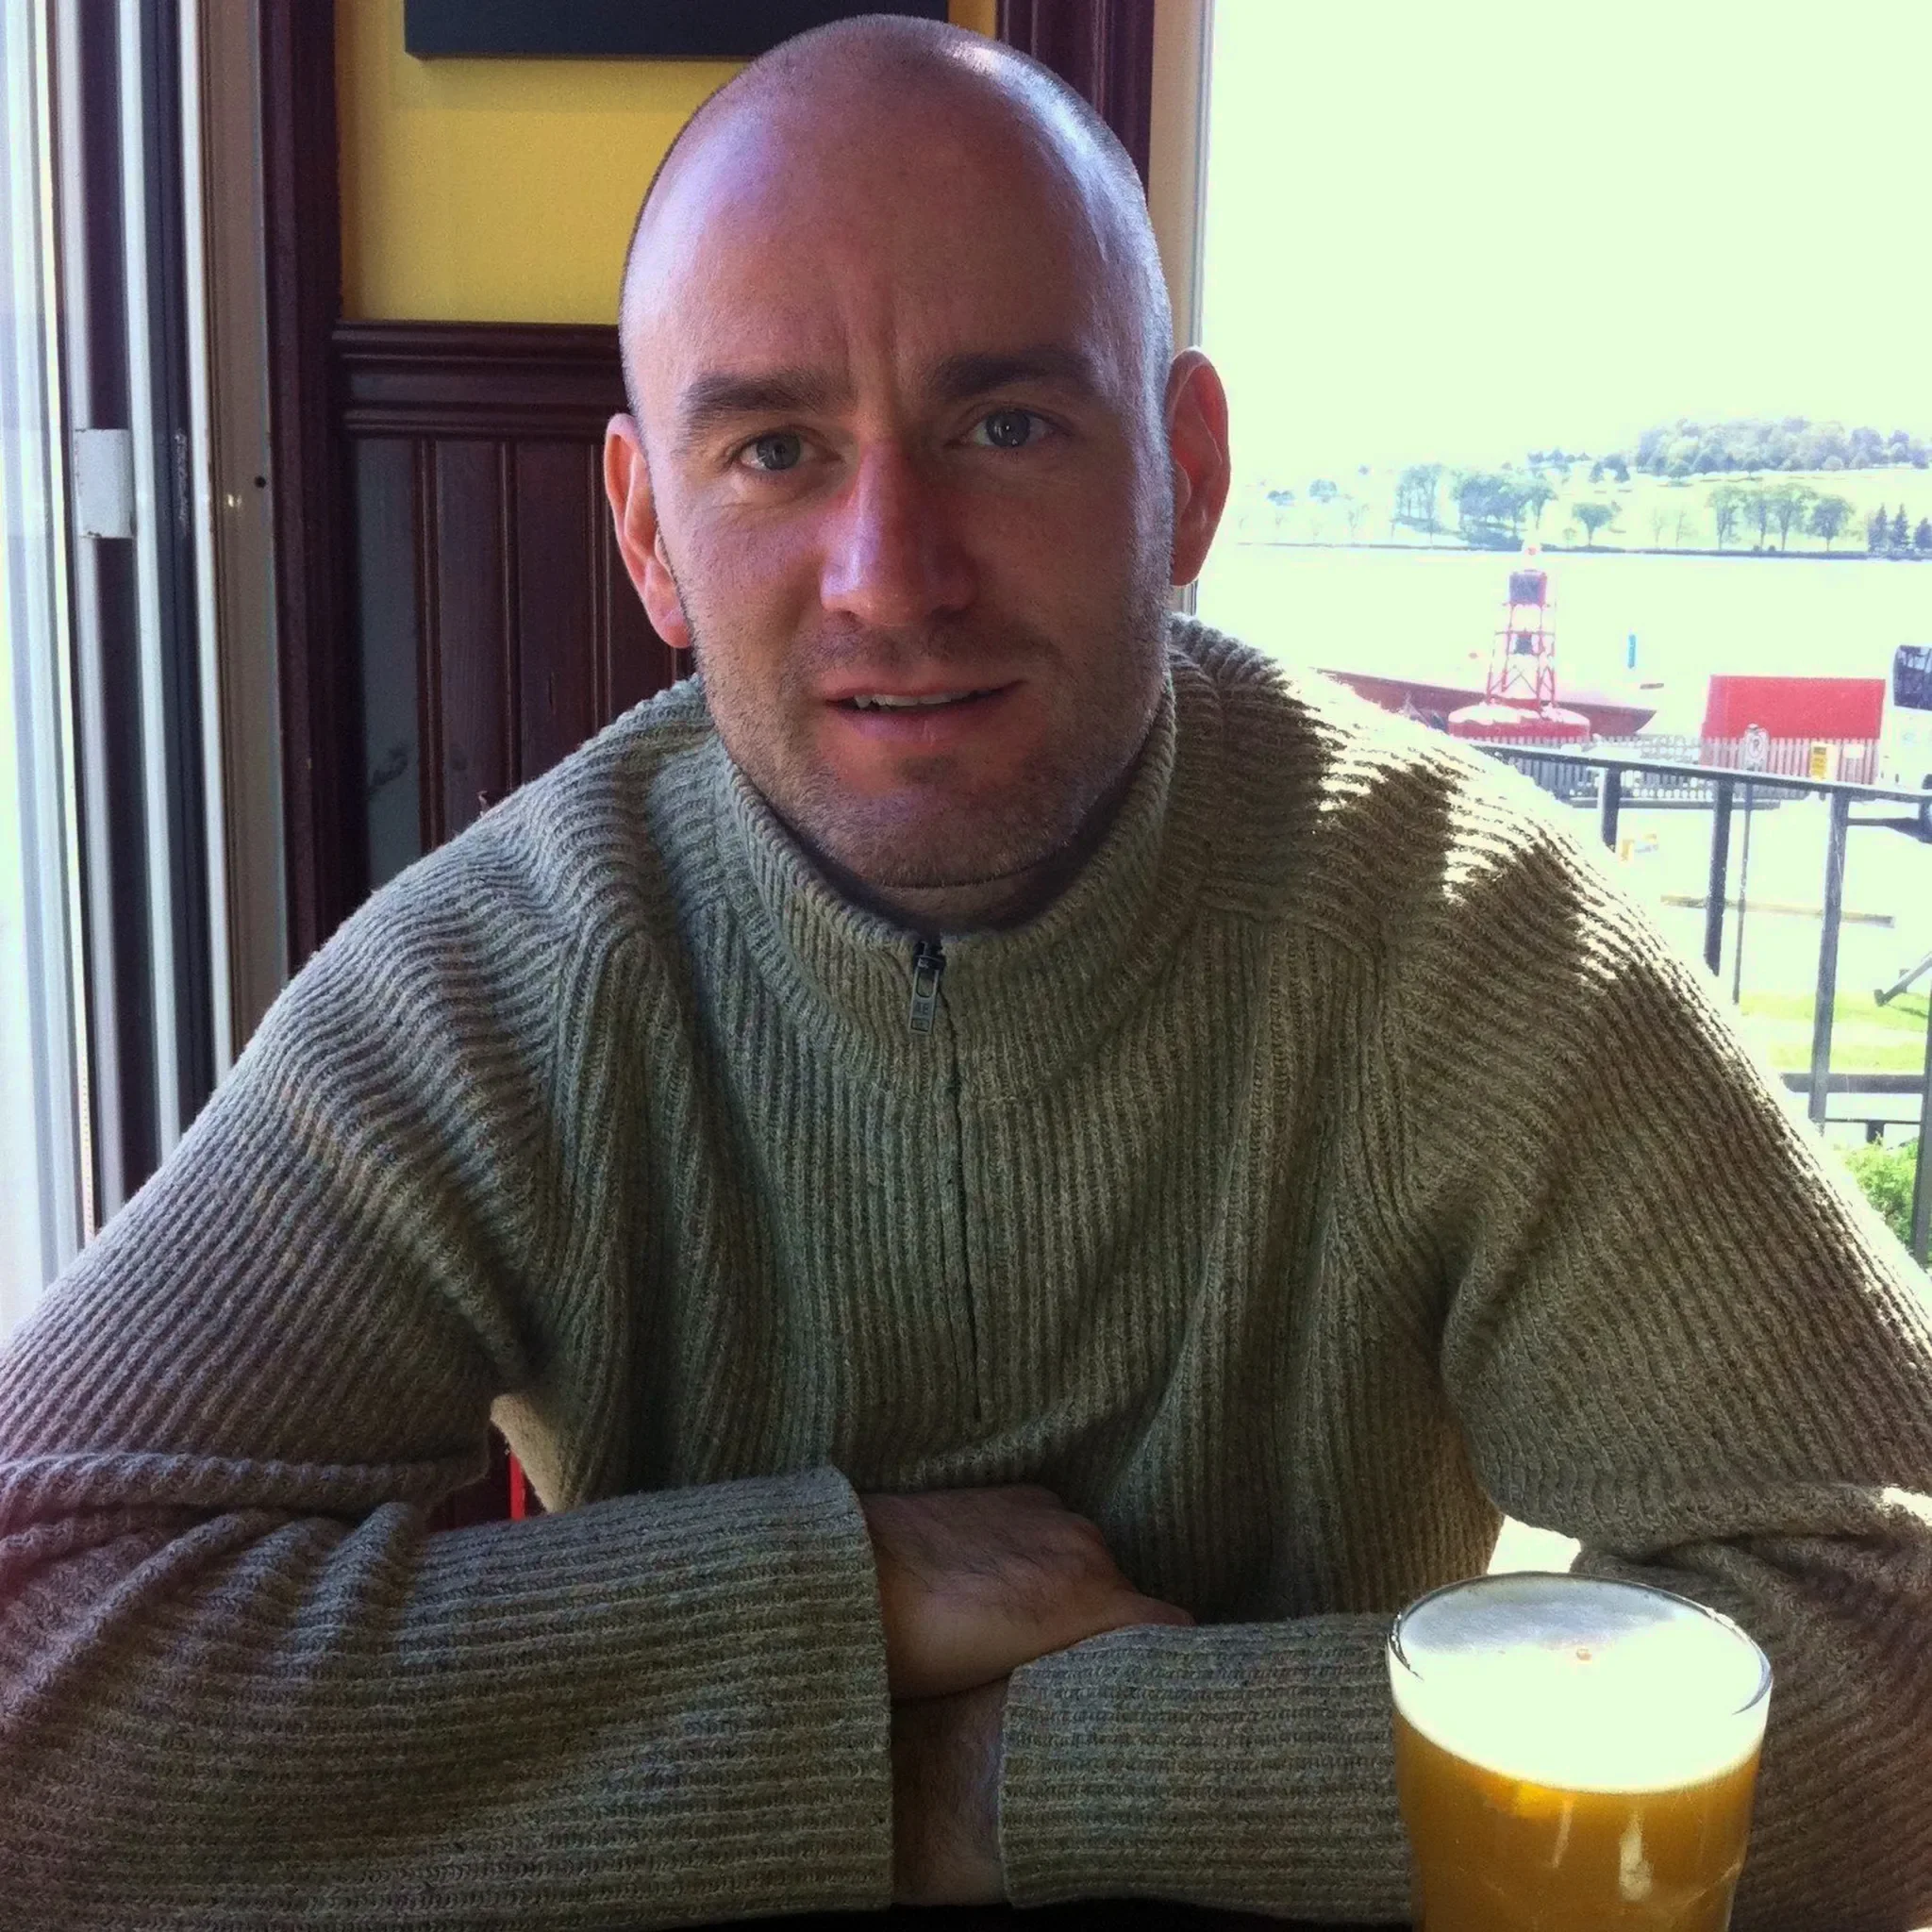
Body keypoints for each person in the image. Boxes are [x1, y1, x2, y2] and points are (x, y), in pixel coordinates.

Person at [3, 17, 1930, 1928]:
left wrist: (1022, 1776)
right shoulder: (491, 989)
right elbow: (33, 1648)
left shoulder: (1472, 931)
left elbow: (1892, 1637)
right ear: (649, 532)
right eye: (775, 450)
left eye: (1005, 426)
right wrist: (838, 1606)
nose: (891, 573)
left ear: (1183, 471)